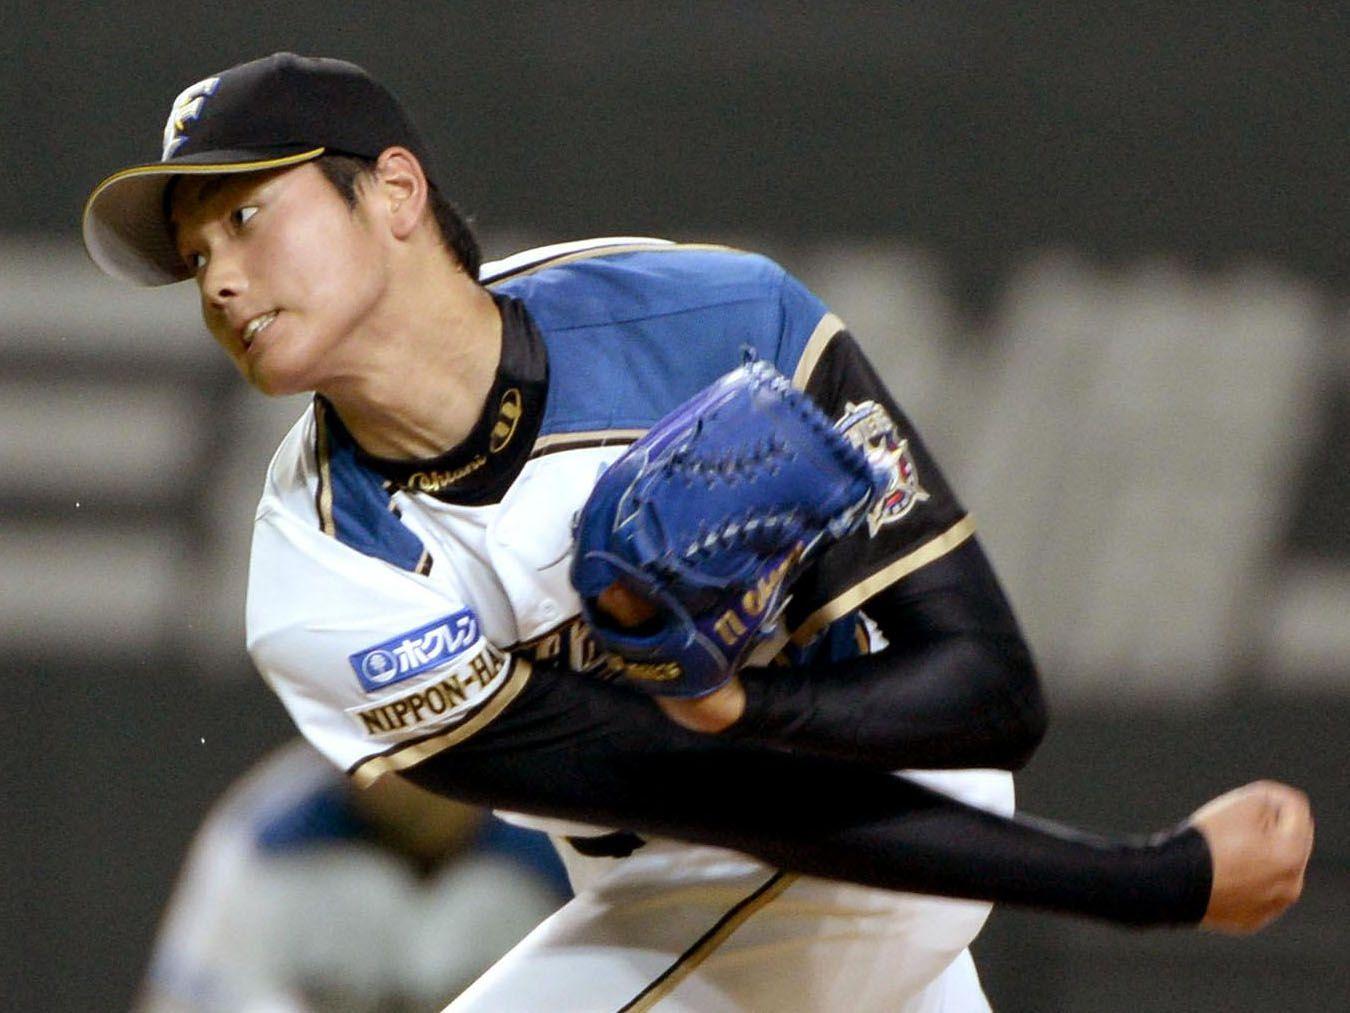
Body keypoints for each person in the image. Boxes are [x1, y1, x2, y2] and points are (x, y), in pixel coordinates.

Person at [83, 53, 1312, 1012]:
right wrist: (1148, 879)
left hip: (897, 802)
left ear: (394, 191)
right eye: (194, 256)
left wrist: (1156, 878)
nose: (219, 282)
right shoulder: (325, 582)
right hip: (688, 877)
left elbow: (989, 692)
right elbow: (683, 788)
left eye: (247, 217)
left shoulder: (712, 320)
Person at [134, 738, 569, 1012]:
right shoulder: (271, 834)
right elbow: (184, 1002)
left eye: (397, 726)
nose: (365, 756)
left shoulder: (563, 825)